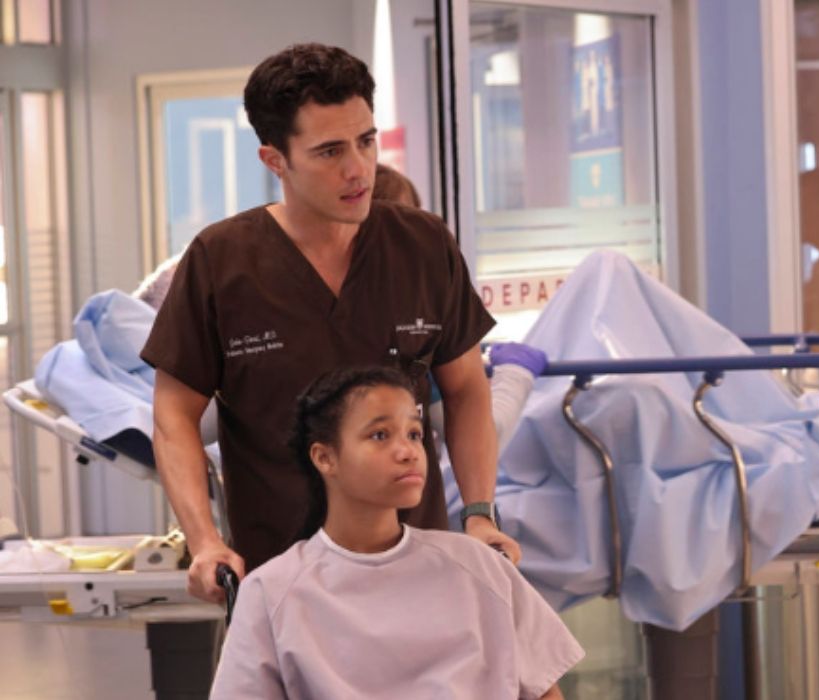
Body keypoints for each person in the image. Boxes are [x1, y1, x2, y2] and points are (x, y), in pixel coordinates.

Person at [142, 43, 518, 607]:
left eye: (366, 141)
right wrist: (205, 542)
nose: (358, 169)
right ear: (275, 160)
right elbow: (174, 417)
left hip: (419, 566)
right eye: (329, 151)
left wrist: (480, 513)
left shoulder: (422, 244)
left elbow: (466, 390)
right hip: (280, 575)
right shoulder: (221, 262)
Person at [209, 366, 581, 699]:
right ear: (325, 458)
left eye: (415, 434)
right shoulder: (272, 591)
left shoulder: (478, 567)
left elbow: (544, 691)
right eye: (380, 435)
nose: (408, 451)